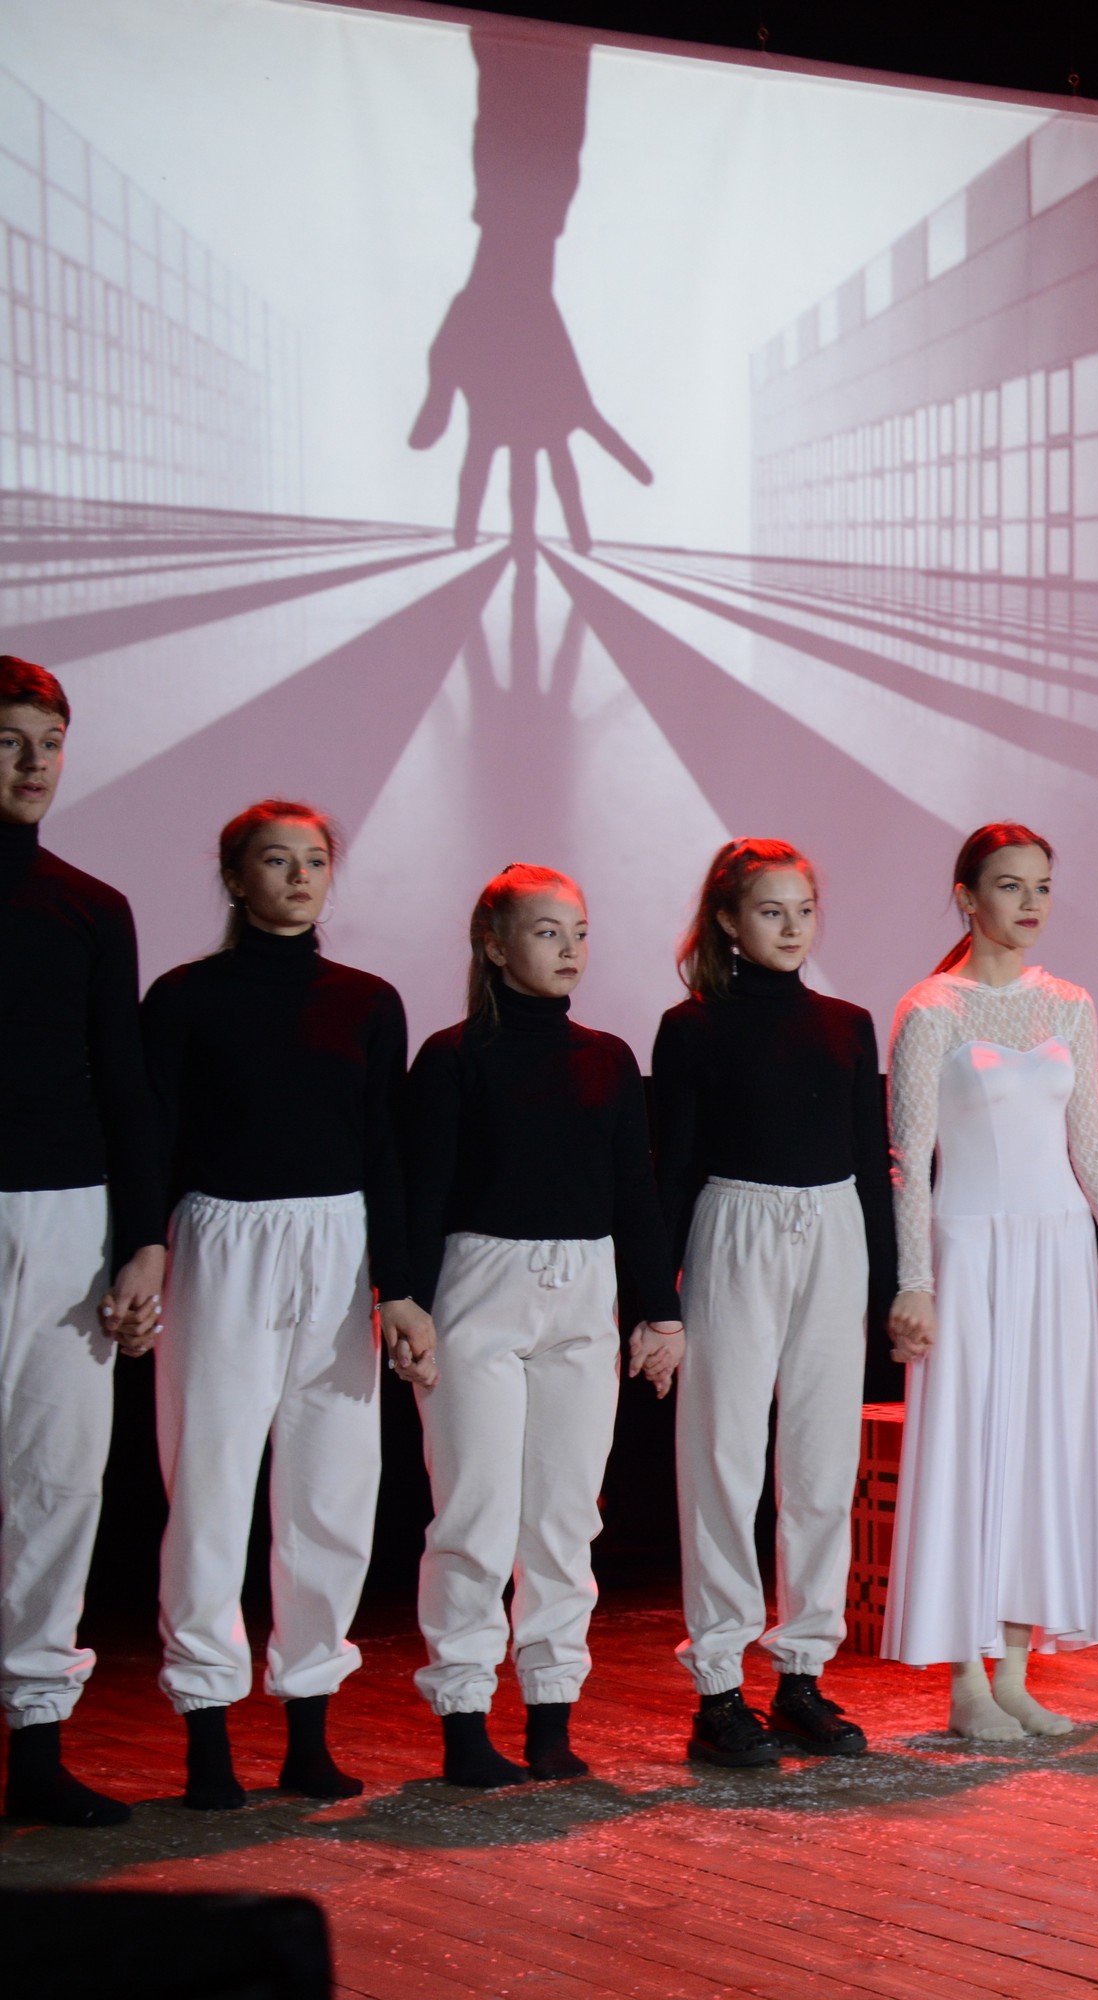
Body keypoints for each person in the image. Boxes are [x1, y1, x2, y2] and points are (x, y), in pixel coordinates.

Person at [141, 801, 427, 1810]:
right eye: (277, 859)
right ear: (235, 877)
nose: (300, 877)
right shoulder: (184, 998)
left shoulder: (367, 1001)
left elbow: (385, 1148)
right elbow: (154, 1134)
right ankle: (207, 1733)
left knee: (332, 1491)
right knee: (210, 1484)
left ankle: (309, 1726)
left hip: (339, 1247)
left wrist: (399, 1287)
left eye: (314, 860)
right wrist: (141, 1250)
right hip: (222, 1241)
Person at [404, 864, 679, 1788]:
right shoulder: (452, 1057)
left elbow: (635, 1192)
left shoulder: (606, 1057)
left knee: (565, 1514)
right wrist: (405, 1299)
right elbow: (424, 1191)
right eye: (547, 932)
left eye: (579, 932)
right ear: (494, 944)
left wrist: (661, 1310)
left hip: (583, 1288)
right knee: (476, 1511)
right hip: (478, 1286)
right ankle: (464, 1716)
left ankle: (552, 1712)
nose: (569, 950)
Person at [883, 824, 1098, 1740]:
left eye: (1042, 886)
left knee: (1043, 1454)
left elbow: (1094, 1147)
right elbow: (909, 1160)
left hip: (1057, 1251)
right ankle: (966, 1683)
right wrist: (915, 1281)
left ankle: (1017, 1675)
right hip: (971, 1250)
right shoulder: (930, 1009)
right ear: (967, 896)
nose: (1030, 904)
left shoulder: (1069, 1003)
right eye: (1010, 885)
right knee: (969, 1454)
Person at [652, 840, 893, 1767]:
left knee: (823, 1458)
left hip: (833, 1227)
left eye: (803, 910)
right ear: (727, 920)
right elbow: (672, 1169)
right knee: (724, 1455)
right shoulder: (692, 1027)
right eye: (770, 911)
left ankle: (802, 1674)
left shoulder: (846, 1023)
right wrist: (657, 1301)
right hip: (734, 1226)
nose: (792, 928)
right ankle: (718, 1683)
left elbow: (870, 1163)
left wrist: (892, 1285)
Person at [0, 658, 166, 1828]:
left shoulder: (92, 905)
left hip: (68, 1218)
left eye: (48, 742)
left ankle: (38, 1745)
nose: (33, 763)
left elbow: (127, 1085)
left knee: (58, 1480)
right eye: (9, 739)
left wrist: (143, 1239)